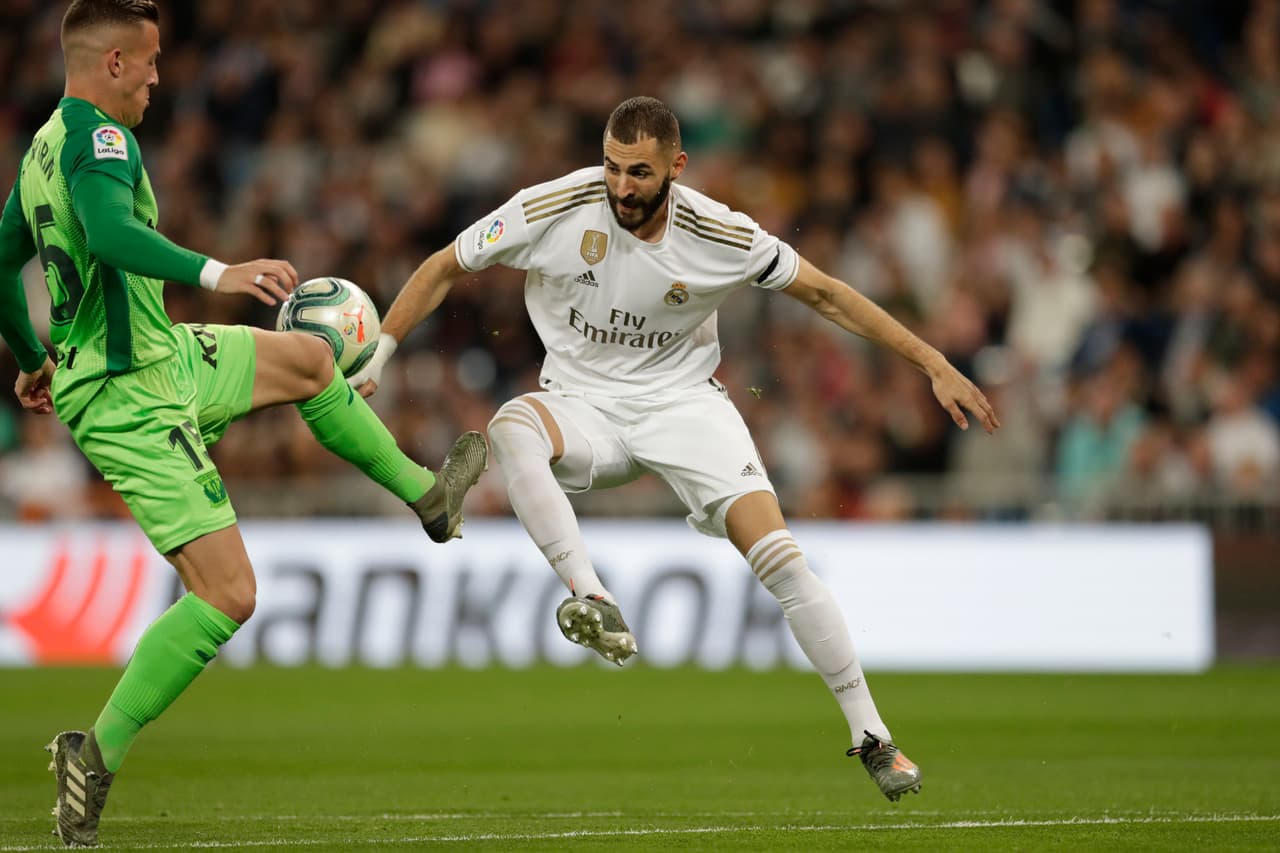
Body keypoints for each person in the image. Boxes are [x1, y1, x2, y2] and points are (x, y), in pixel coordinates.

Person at [350, 96, 999, 802]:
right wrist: (381, 351)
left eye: (638, 172)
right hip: (582, 404)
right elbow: (445, 264)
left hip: (685, 405)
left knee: (783, 562)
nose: (621, 187)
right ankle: (590, 596)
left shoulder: (719, 231)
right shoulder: (555, 206)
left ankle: (874, 738)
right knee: (511, 425)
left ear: (675, 168)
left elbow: (830, 295)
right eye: (611, 167)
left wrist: (932, 361)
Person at [0, 2, 487, 846]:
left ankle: (428, 497)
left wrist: (29, 352)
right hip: (127, 395)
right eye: (148, 62)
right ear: (111, 61)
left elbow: (2, 255)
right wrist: (222, 269)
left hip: (160, 355)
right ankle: (95, 749)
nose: (158, 77)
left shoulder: (42, 147)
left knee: (307, 361)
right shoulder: (98, 140)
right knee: (229, 593)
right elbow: (113, 236)